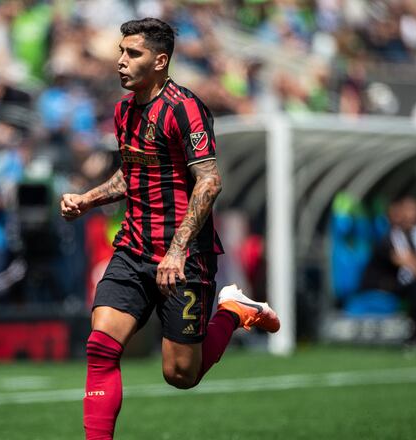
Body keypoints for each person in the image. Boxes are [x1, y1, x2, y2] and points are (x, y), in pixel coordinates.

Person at [59, 18, 280, 440]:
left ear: (160, 61)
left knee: (181, 375)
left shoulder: (185, 108)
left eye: (133, 53)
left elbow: (209, 181)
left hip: (185, 256)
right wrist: (88, 199)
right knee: (101, 346)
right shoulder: (123, 110)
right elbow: (132, 174)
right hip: (133, 247)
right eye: (121, 52)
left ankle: (233, 312)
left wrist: (177, 251)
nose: (121, 61)